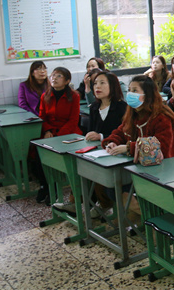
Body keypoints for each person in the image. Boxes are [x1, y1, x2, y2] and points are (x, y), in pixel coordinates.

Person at [54, 71, 127, 216]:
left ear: (112, 86)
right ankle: (75, 202)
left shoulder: (122, 107)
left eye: (102, 83)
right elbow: (91, 132)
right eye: (95, 84)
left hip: (116, 152)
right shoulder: (94, 107)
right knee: (80, 166)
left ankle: (104, 204)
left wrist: (101, 136)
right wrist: (90, 136)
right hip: (98, 151)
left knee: (96, 171)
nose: (97, 87)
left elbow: (124, 135)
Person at [103, 74, 174, 158]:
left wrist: (129, 148)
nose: (130, 94)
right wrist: (112, 142)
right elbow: (121, 132)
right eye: (129, 90)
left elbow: (161, 147)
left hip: (165, 163)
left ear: (147, 95)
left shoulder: (162, 117)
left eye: (134, 90)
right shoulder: (133, 114)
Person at [36, 67, 82, 204]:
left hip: (69, 133)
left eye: (59, 76)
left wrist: (59, 136)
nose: (54, 78)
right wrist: (47, 130)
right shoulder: (45, 96)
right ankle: (46, 186)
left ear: (67, 81)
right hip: (50, 133)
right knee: (38, 155)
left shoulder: (74, 96)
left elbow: (73, 120)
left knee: (60, 156)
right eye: (53, 75)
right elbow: (42, 117)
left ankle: (58, 188)